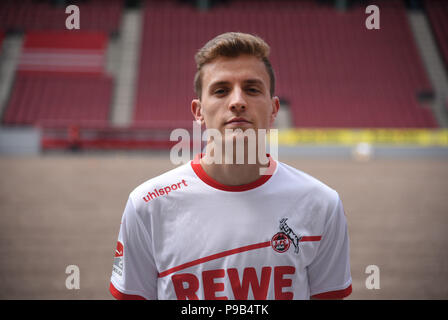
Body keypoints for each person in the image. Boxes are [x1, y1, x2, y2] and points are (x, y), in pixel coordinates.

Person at [109, 32, 352, 300]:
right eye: (221, 90)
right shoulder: (147, 205)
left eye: (252, 88)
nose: (237, 101)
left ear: (273, 109)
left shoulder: (321, 204)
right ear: (198, 111)